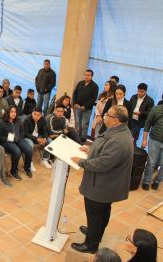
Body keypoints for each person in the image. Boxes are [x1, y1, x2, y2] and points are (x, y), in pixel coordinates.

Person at [70, 105, 133, 254]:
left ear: (116, 120)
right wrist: (91, 149)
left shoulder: (118, 140)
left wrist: (81, 162)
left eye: (108, 115)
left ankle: (91, 245)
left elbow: (103, 163)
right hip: (106, 184)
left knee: (96, 214)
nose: (104, 116)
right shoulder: (119, 131)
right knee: (101, 213)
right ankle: (94, 232)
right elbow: (105, 151)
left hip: (103, 186)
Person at [0, 105, 33, 179]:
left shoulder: (18, 120)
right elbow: (0, 137)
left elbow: (22, 131)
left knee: (29, 149)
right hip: (7, 142)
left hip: (18, 139)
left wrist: (18, 138)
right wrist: (10, 139)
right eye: (12, 112)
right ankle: (13, 171)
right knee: (17, 151)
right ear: (8, 112)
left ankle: (27, 168)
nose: (14, 113)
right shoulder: (2, 122)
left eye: (15, 112)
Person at [141, 103, 163, 191]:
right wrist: (144, 139)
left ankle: (157, 181)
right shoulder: (156, 109)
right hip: (154, 140)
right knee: (151, 162)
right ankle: (146, 181)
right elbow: (147, 124)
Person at [73, 69, 99, 142]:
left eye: (88, 75)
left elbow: (93, 98)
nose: (86, 76)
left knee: (84, 124)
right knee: (78, 123)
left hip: (87, 108)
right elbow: (75, 93)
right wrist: (75, 103)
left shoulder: (95, 86)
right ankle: (78, 137)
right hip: (78, 107)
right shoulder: (80, 83)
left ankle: (83, 138)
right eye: (85, 75)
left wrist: (85, 106)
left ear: (92, 76)